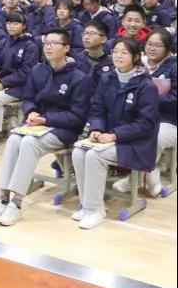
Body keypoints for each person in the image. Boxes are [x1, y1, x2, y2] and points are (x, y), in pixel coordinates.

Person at [0, 28, 92, 227]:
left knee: (28, 143)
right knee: (14, 139)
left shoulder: (79, 78)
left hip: (64, 129)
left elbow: (78, 118)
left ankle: (16, 204)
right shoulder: (38, 70)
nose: (48, 47)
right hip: (36, 125)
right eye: (46, 43)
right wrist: (31, 112)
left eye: (54, 43)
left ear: (66, 48)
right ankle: (3, 199)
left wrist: (46, 119)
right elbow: (28, 98)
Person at [72, 37, 159, 229]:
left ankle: (96, 210)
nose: (118, 56)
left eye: (124, 52)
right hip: (109, 138)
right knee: (78, 152)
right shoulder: (107, 79)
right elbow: (98, 110)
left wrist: (115, 135)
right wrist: (96, 128)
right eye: (115, 52)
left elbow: (145, 124)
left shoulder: (146, 86)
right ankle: (86, 205)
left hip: (136, 143)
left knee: (94, 156)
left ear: (135, 57)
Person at [113, 27, 176, 197]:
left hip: (169, 121)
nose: (152, 48)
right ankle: (150, 177)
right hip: (140, 116)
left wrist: (148, 98)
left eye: (157, 45)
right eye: (149, 44)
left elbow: (175, 98)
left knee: (154, 136)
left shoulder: (174, 67)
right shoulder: (140, 64)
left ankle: (134, 180)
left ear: (168, 48)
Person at [0, 11, 38, 151]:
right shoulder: (3, 42)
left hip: (22, 86)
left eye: (15, 23)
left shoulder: (30, 46)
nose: (11, 26)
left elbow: (26, 72)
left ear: (23, 26)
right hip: (1, 82)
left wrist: (4, 83)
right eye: (9, 23)